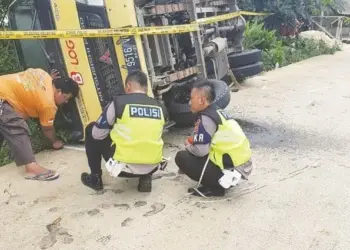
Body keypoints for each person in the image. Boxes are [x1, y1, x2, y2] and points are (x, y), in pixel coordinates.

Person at [81, 70, 168, 192]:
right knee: (147, 135)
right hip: (153, 166)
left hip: (123, 169)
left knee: (91, 129)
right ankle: (145, 176)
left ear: (128, 86)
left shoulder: (118, 103)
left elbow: (97, 134)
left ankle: (95, 178)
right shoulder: (160, 107)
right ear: (145, 88)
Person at [175, 80, 253, 197]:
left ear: (201, 100)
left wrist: (188, 145)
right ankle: (220, 180)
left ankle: (215, 187)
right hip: (241, 165)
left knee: (182, 157)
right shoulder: (217, 111)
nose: (190, 102)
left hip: (231, 168)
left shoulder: (205, 118)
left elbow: (200, 151)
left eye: (192, 98)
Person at [0, 68, 79, 181]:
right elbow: (47, 129)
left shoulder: (44, 75)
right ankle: (32, 168)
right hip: (2, 99)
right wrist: (55, 141)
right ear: (59, 91)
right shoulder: (48, 104)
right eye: (66, 98)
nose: (65, 102)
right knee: (16, 127)